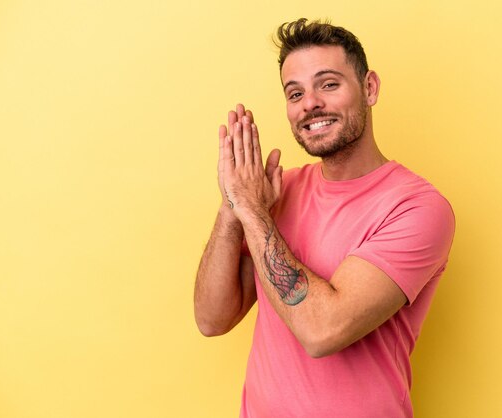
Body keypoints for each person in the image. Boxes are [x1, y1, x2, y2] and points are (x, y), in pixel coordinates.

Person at [194, 18, 455, 418]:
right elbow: (212, 319)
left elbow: (323, 331)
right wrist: (233, 209)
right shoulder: (275, 194)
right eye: (294, 92)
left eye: (328, 84)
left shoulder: (418, 208)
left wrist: (252, 211)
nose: (309, 103)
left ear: (369, 88)